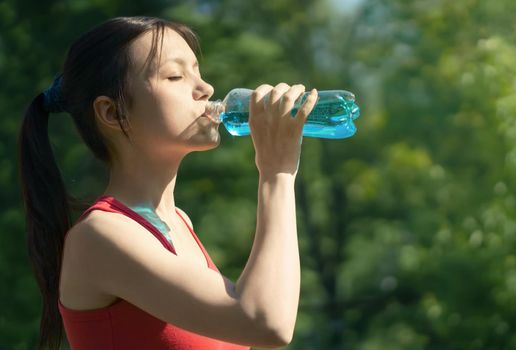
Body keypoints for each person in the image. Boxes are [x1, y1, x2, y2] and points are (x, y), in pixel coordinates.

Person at [18, 16, 318, 350]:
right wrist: (276, 172)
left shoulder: (179, 223)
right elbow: (266, 322)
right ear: (112, 113)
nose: (205, 89)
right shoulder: (100, 236)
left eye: (197, 72)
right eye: (175, 75)